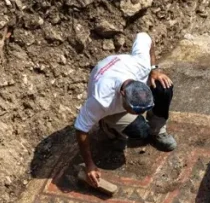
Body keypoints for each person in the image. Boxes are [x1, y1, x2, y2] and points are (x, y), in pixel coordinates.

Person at [74, 32, 176, 190]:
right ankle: (108, 126)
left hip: (125, 71)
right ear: (122, 95)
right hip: (109, 102)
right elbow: (81, 128)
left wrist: (154, 69)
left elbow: (145, 36)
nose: (138, 113)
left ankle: (158, 131)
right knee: (140, 131)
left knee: (164, 87)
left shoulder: (140, 66)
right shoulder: (101, 100)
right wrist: (89, 165)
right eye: (134, 110)